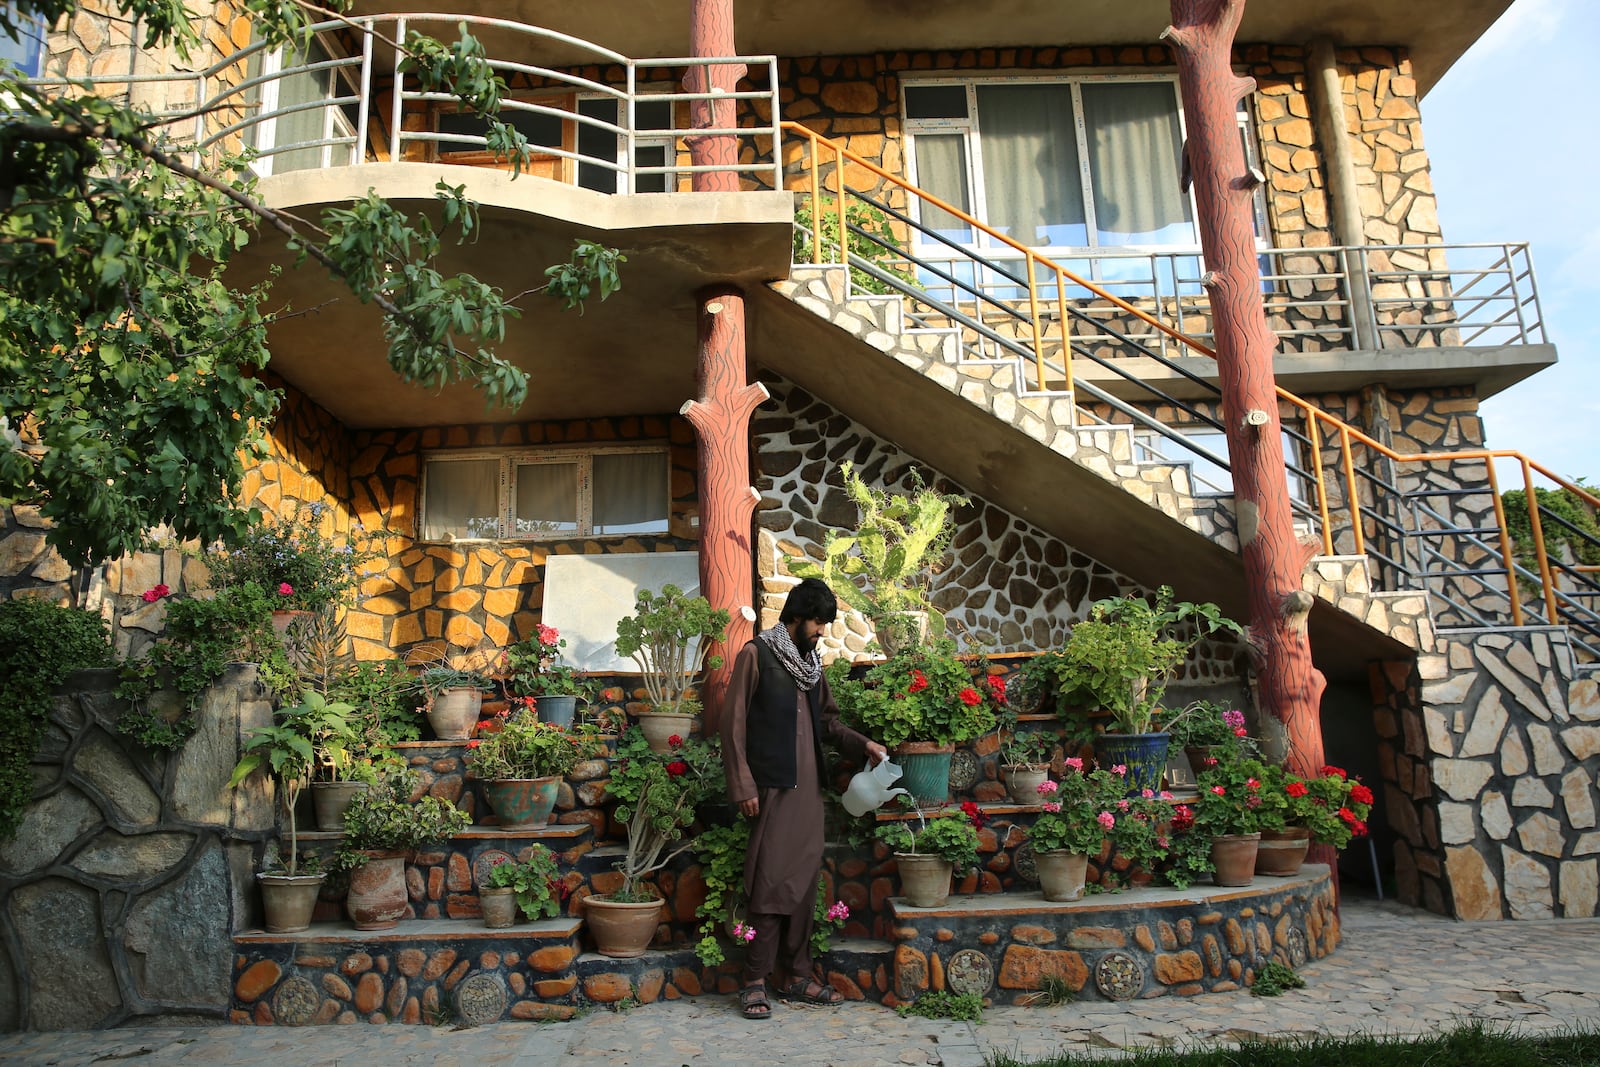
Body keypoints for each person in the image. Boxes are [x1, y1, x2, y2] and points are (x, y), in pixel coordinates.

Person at [720, 577, 888, 1020]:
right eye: (818, 622)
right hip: (773, 789)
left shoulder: (811, 668)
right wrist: (743, 785)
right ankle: (755, 980)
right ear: (796, 616)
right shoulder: (756, 655)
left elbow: (829, 724)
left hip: (809, 793)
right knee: (771, 884)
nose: (822, 632)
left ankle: (795, 976)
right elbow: (732, 725)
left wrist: (864, 744)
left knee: (803, 886)